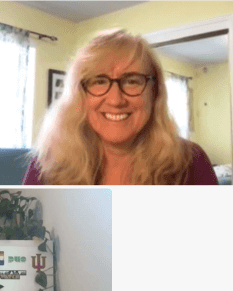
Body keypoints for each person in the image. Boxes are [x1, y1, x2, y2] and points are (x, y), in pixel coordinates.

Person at [23, 29, 218, 185]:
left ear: (155, 92)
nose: (116, 100)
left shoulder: (190, 161)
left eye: (132, 81)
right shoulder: (47, 164)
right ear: (78, 95)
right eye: (99, 81)